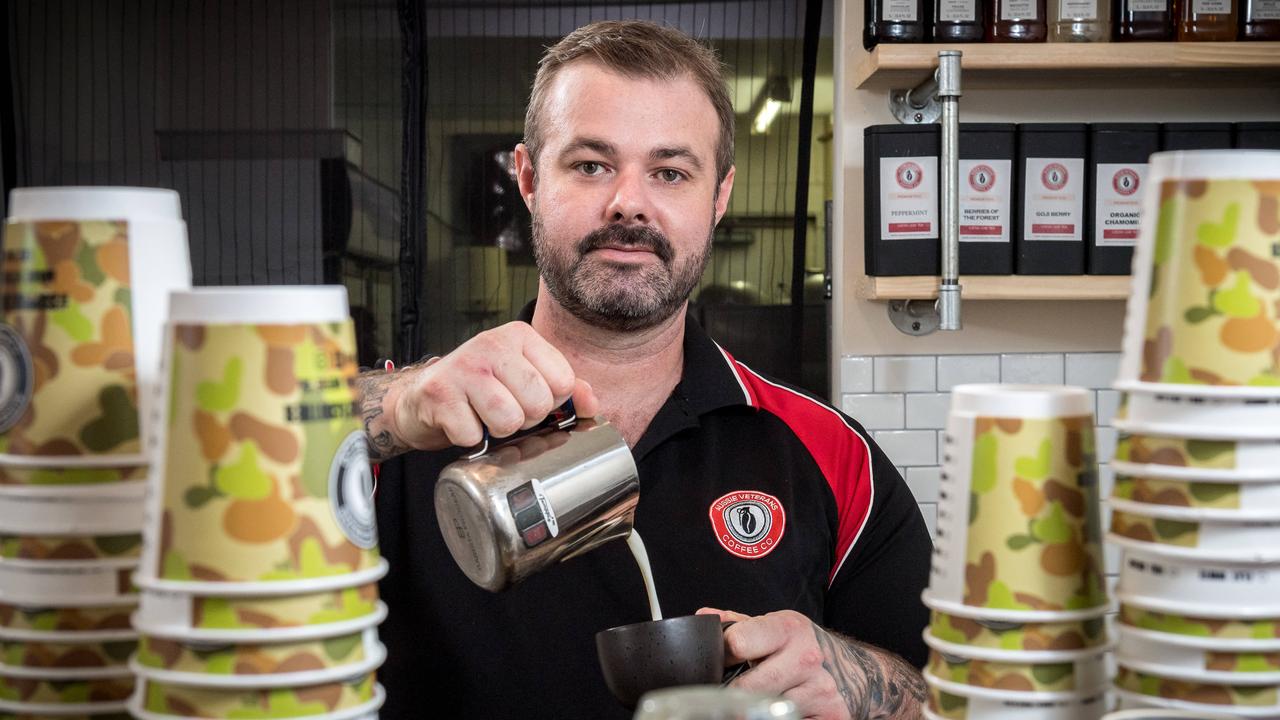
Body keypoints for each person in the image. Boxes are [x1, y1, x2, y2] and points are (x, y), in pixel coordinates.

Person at [360, 20, 932, 720]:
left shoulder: (830, 454)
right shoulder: (413, 425)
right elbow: (223, 456)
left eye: (669, 172)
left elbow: (946, 695)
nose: (628, 202)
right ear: (530, 178)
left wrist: (856, 678)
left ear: (718, 197)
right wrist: (395, 406)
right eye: (592, 164)